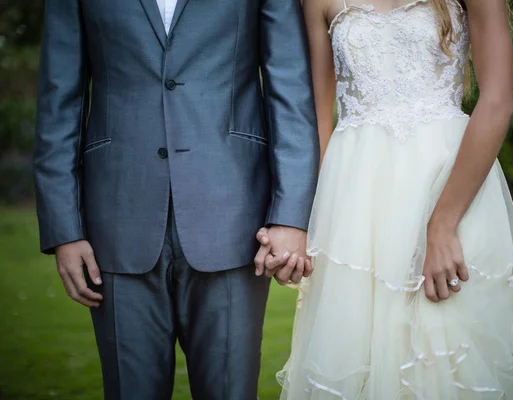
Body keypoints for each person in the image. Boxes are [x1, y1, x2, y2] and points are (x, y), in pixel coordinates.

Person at [256, 0, 513, 397]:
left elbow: (498, 101)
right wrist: (307, 222)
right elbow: (317, 120)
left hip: (447, 186)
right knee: (354, 349)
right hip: (355, 199)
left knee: (442, 349)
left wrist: (443, 225)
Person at [33, 0, 319, 398]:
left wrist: (291, 216)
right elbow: (58, 100)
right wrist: (64, 229)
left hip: (235, 217)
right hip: (115, 219)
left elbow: (289, 90)